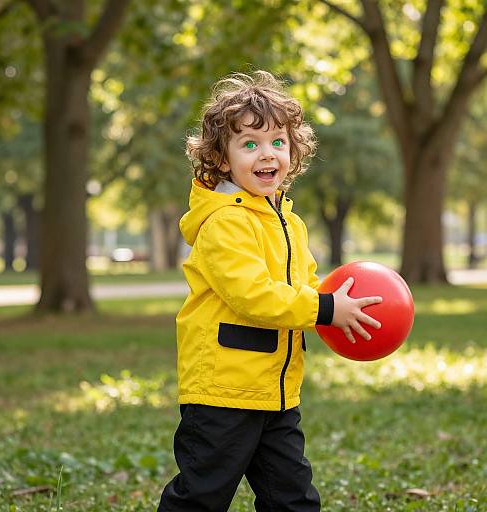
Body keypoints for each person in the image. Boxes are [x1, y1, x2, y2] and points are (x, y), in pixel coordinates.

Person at [158, 70, 382, 511]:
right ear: (222, 159)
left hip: (277, 393)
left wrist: (338, 303)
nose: (268, 154)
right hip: (222, 393)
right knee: (202, 496)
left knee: (293, 498)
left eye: (278, 142)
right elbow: (253, 295)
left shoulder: (289, 222)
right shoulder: (224, 223)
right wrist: (324, 307)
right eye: (250, 144)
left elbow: (304, 286)